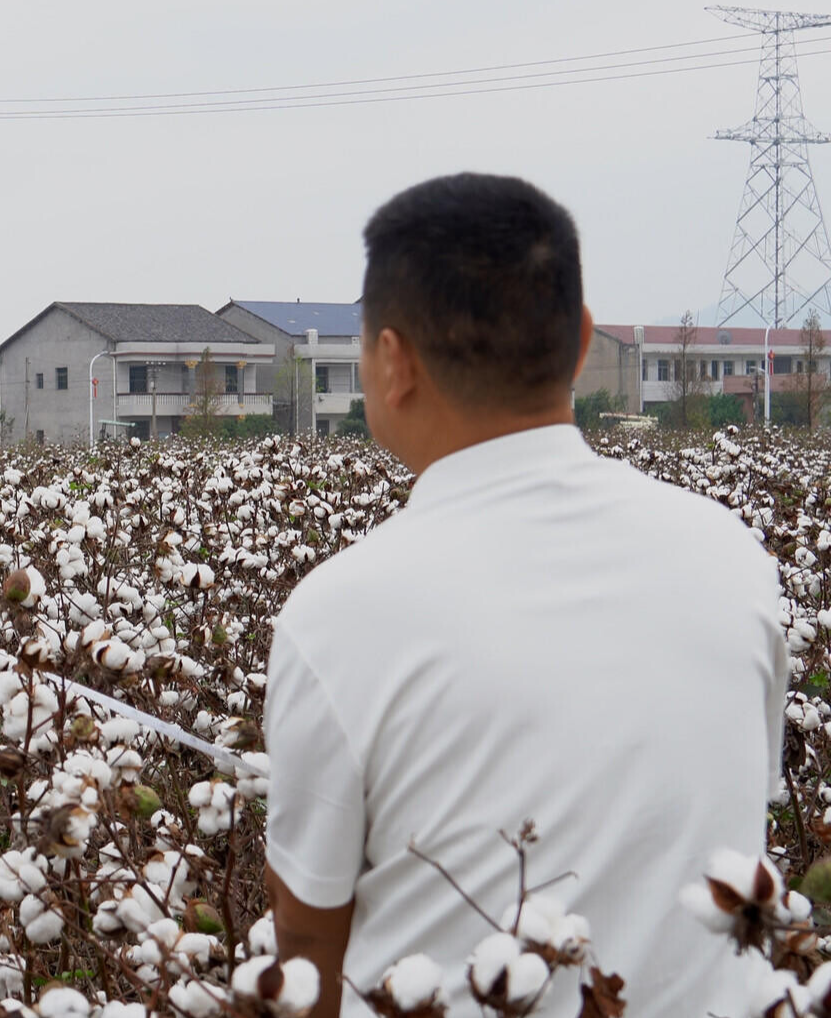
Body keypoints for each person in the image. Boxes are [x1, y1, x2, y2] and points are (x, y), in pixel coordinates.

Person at [263, 174, 782, 1016]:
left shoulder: (338, 616)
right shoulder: (736, 562)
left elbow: (305, 957)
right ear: (581, 342)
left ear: (392, 361)